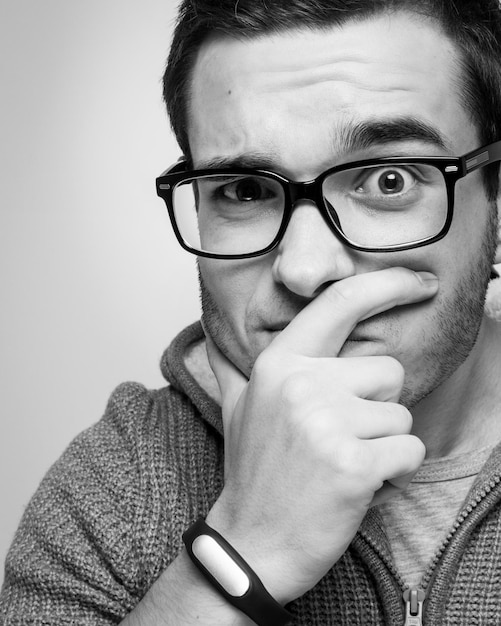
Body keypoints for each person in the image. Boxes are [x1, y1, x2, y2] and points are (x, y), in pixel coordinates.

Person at [2, 0, 501, 624]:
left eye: (389, 179)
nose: (306, 268)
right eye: (246, 191)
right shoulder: (115, 488)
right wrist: (244, 549)